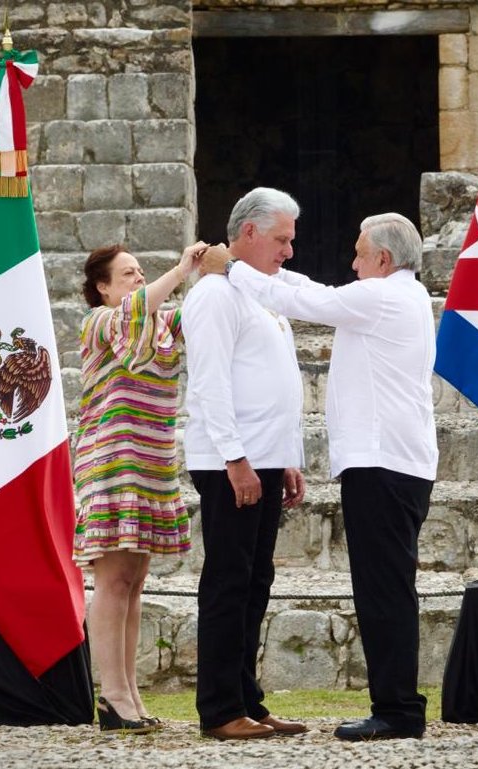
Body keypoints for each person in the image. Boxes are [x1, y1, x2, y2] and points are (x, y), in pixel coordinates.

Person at [200, 212, 438, 740]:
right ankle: (396, 705)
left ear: (383, 259)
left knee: (383, 589)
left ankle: (397, 711)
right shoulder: (402, 295)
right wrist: (256, 270)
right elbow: (313, 290)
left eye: (358, 254)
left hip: (384, 465)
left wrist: (232, 267)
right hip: (395, 464)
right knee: (386, 586)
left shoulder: (383, 297)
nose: (351, 264)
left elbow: (309, 302)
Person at [182, 187, 308, 740]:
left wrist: (287, 458)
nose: (287, 251)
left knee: (257, 580)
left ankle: (248, 700)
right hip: (229, 461)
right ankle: (219, 708)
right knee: (229, 581)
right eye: (281, 239)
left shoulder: (263, 294)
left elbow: (276, 382)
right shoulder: (214, 294)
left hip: (264, 459)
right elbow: (209, 382)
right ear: (249, 233)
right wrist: (235, 458)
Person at [74, 240, 207, 733]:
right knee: (112, 582)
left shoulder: (161, 326)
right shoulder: (99, 323)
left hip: (151, 466)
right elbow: (138, 306)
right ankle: (111, 696)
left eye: (138, 271)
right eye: (125, 273)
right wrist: (180, 269)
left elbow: (197, 313)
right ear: (102, 288)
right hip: (111, 464)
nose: (136, 278)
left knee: (133, 584)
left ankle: (128, 692)